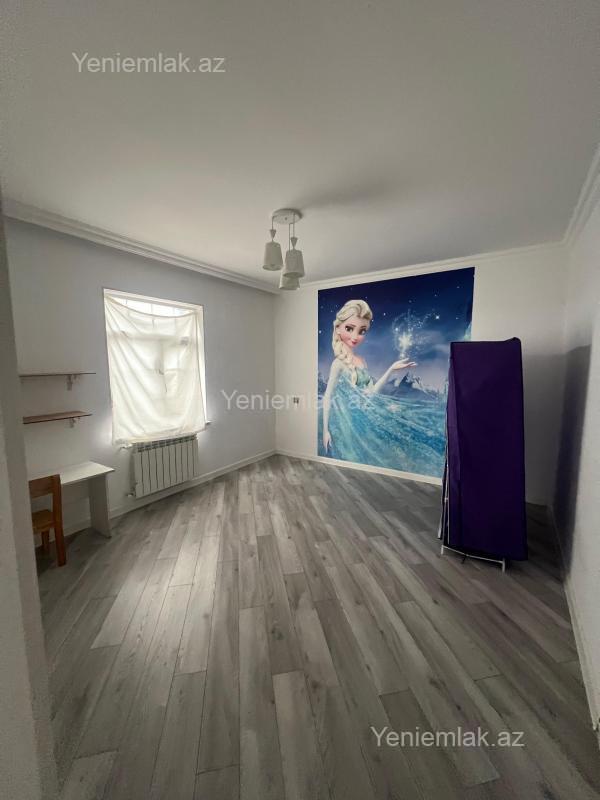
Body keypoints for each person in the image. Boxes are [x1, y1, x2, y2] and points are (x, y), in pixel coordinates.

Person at [322, 299, 416, 454]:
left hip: (364, 420)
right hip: (346, 422)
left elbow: (371, 393)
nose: (355, 336)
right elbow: (327, 397)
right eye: (349, 328)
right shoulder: (338, 363)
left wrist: (391, 369)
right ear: (338, 328)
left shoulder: (362, 361)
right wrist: (325, 430)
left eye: (362, 331)